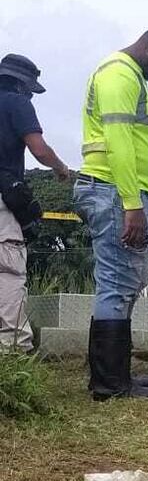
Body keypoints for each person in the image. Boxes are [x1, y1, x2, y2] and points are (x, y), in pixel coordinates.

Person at [76, 24, 148, 400]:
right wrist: (132, 203)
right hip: (115, 192)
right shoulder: (120, 75)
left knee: (123, 284)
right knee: (116, 283)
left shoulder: (130, 77)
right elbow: (119, 141)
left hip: (118, 192)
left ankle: (115, 376)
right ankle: (110, 384)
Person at [0, 54, 72, 353]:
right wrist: (61, 169)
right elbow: (39, 149)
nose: (31, 95)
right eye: (30, 89)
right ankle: (13, 349)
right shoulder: (16, 102)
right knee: (8, 269)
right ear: (20, 84)